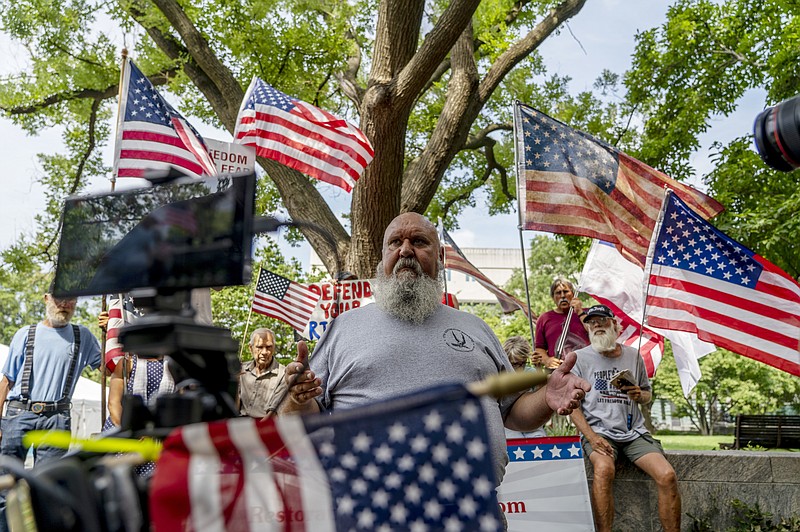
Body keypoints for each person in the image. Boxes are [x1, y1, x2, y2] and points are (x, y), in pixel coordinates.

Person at [282, 212, 591, 484]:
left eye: (419, 241)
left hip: (471, 510)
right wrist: (297, 399)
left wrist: (547, 398)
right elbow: (302, 421)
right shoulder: (342, 328)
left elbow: (514, 413)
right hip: (370, 511)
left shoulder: (476, 328)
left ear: (439, 256)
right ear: (382, 258)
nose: (406, 250)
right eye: (395, 243)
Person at [569, 304, 680, 532]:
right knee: (603, 470)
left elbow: (647, 395)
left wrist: (640, 394)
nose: (597, 325)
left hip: (634, 433)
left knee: (667, 475)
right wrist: (591, 438)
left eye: (602, 320)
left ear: (614, 325)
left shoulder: (633, 355)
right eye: (592, 322)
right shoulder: (578, 358)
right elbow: (572, 407)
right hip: (599, 432)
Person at [0, 289, 101, 530]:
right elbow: (6, 381)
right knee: (5, 486)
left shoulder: (83, 336)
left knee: (49, 487)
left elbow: (109, 369)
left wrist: (112, 335)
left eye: (71, 299)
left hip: (57, 418)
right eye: (59, 299)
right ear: (47, 299)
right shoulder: (26, 334)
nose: (65, 304)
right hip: (18, 415)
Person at [534, 278, 590, 369]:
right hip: (559, 371)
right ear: (553, 297)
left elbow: (594, 331)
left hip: (586, 367)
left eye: (566, 291)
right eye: (558, 293)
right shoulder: (544, 318)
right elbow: (540, 348)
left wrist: (579, 311)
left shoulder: (587, 313)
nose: (563, 296)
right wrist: (548, 360)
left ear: (573, 294)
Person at [502, 336, 546, 439]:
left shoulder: (531, 373)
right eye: (514, 364)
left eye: (522, 363)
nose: (519, 368)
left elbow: (541, 397)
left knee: (540, 442)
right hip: (510, 425)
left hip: (531, 424)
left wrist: (539, 369)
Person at [238, 328, 288, 418]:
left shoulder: (283, 374)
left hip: (265, 425)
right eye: (259, 347)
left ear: (274, 348)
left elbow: (274, 414)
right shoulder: (241, 370)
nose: (264, 352)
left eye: (269, 347)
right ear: (250, 348)